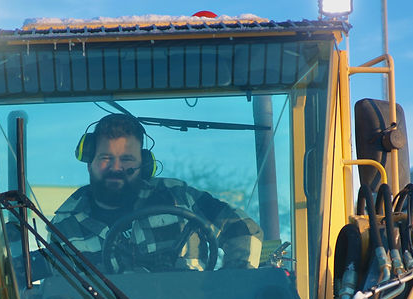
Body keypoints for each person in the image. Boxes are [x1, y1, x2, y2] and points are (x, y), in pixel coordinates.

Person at [51, 113, 262, 272]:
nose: (116, 168)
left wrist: (229, 286)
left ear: (144, 165)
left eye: (126, 159)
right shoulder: (65, 226)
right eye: (106, 158)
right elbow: (61, 296)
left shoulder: (178, 197)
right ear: (90, 163)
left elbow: (243, 228)